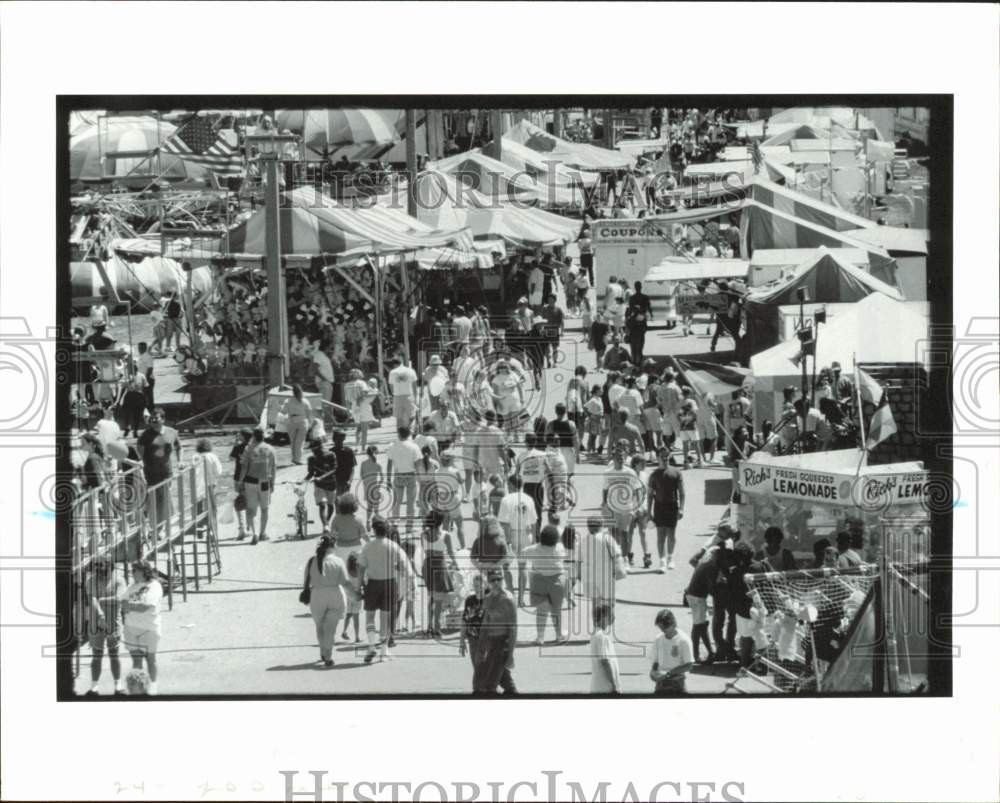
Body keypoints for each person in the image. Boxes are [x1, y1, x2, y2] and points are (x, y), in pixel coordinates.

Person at [358, 517, 414, 663]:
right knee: (386, 617)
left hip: (372, 583)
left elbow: (361, 567)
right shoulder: (393, 546)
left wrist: (359, 586)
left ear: (374, 531)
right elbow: (404, 565)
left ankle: (371, 646)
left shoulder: (368, 547)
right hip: (389, 583)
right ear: (387, 531)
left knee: (370, 617)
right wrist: (408, 580)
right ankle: (384, 650)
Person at [303, 536, 352, 666]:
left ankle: (323, 651)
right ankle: (328, 655)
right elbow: (345, 582)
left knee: (320, 626)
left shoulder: (311, 561)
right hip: (335, 594)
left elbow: (306, 582)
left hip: (317, 595)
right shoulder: (338, 561)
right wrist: (356, 594)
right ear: (332, 546)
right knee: (330, 628)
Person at [83, 556, 127, 696]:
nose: (97, 570)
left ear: (108, 566)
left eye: (100, 566)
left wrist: (102, 599)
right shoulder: (91, 580)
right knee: (97, 655)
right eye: (95, 567)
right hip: (96, 623)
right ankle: (94, 687)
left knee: (114, 655)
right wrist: (101, 615)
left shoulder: (119, 579)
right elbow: (92, 599)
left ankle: (118, 686)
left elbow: (119, 598)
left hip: (113, 623)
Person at [137, 407, 182, 537]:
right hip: (151, 473)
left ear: (163, 419)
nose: (153, 422)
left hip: (166, 472)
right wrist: (142, 460)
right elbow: (139, 448)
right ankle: (155, 528)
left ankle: (158, 529)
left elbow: (179, 447)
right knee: (154, 502)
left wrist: (180, 461)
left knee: (163, 501)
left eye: (156, 419)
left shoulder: (172, 432)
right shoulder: (146, 435)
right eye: (152, 420)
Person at [472, 569, 519, 695]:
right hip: (490, 642)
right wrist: (480, 647)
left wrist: (510, 654)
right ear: (488, 582)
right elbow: (485, 624)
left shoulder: (508, 600)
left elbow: (513, 628)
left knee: (489, 684)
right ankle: (512, 692)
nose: (497, 582)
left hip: (502, 643)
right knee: (487, 680)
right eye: (493, 580)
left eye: (499, 579)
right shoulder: (487, 599)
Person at [122, 559, 163, 696]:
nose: (132, 573)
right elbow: (122, 602)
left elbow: (146, 607)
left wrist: (131, 606)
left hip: (149, 628)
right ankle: (138, 689)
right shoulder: (132, 586)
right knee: (136, 660)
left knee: (150, 659)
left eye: (135, 571)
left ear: (144, 571)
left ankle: (153, 685)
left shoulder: (155, 586)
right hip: (131, 627)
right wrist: (133, 606)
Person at [236, 426, 277, 544]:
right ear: (264, 436)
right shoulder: (270, 449)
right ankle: (262, 533)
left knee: (251, 509)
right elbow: (273, 468)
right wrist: (273, 483)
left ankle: (254, 533)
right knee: (264, 509)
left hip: (250, 481)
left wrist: (240, 482)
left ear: (253, 436)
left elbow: (244, 467)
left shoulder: (248, 449)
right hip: (265, 482)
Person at [647, 447, 685, 572]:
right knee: (660, 535)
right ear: (657, 457)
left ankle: (671, 557)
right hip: (659, 507)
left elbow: (682, 492)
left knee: (671, 533)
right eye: (662, 456)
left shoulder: (676, 472)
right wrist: (648, 512)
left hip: (672, 505)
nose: (665, 458)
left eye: (667, 456)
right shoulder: (654, 475)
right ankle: (662, 561)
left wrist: (681, 509)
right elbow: (650, 495)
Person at [421, 510, 458, 637]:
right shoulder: (446, 535)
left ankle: (429, 626)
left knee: (431, 596)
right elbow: (451, 553)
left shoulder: (423, 534)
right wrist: (456, 565)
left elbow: (424, 550)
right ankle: (436, 627)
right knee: (438, 600)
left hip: (427, 565)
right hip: (439, 566)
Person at [684, 545, 720, 664]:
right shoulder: (710, 566)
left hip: (693, 595)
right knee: (699, 626)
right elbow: (711, 589)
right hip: (697, 597)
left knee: (701, 625)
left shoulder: (703, 562)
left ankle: (709, 652)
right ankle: (695, 655)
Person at [603, 446, 638, 561]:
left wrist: (635, 508)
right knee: (613, 534)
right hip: (612, 507)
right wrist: (604, 504)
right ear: (613, 458)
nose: (621, 458)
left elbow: (635, 490)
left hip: (626, 508)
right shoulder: (608, 472)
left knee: (625, 533)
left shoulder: (630, 472)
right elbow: (605, 489)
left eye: (623, 456)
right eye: (618, 456)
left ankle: (625, 558)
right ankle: (615, 558)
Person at [649, 609, 694, 695]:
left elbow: (689, 665)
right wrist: (653, 671)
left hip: (677, 684)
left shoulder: (683, 640)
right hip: (660, 684)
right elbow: (655, 661)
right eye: (660, 628)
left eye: (664, 628)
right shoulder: (658, 639)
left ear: (673, 624)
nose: (662, 631)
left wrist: (668, 674)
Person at [386, 426, 422, 530]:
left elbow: (389, 464)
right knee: (410, 502)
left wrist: (388, 479)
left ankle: (395, 522)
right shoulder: (414, 447)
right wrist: (419, 478)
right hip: (411, 475)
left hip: (398, 475)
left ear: (399, 434)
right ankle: (409, 526)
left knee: (397, 501)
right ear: (409, 435)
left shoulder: (392, 446)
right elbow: (418, 463)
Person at [497, 474, 538, 563]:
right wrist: (534, 540)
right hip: (526, 535)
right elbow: (534, 522)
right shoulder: (529, 499)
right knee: (522, 567)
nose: (507, 486)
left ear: (512, 485)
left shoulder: (506, 500)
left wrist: (507, 543)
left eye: (508, 484)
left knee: (506, 567)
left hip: (512, 535)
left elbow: (505, 524)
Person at [469, 515, 514, 592]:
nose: (494, 526)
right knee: (486, 592)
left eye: (495, 524)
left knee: (495, 592)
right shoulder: (479, 541)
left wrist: (494, 565)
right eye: (491, 524)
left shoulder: (500, 540)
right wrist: (480, 566)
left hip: (495, 570)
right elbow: (472, 558)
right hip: (485, 571)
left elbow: (505, 557)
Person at [305, 439, 338, 533]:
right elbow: (311, 473)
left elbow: (334, 469)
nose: (312, 451)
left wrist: (322, 477)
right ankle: (325, 526)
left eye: (314, 449)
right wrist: (304, 480)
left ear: (320, 447)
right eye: (311, 449)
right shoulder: (311, 459)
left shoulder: (331, 455)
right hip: (319, 485)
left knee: (330, 505)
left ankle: (327, 521)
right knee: (322, 505)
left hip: (331, 483)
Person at [590, 601, 622, 694]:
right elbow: (605, 662)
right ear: (603, 616)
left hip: (599, 685)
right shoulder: (602, 636)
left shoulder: (597, 634)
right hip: (605, 687)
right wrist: (614, 684)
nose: (614, 617)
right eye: (611, 615)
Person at [280, 385, 313, 466]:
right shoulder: (305, 401)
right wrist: (310, 424)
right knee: (300, 442)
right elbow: (309, 413)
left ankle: (294, 458)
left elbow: (283, 411)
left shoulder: (288, 401)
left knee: (293, 441)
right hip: (303, 420)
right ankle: (297, 459)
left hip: (292, 420)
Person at [229, 429, 253, 540]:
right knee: (250, 502)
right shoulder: (253, 447)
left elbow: (231, 458)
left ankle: (241, 528)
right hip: (251, 478)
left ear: (243, 436)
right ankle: (251, 527)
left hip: (238, 477)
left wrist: (235, 444)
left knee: (239, 502)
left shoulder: (238, 447)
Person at [459, 574, 486, 672]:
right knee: (477, 669)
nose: (476, 588)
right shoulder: (469, 600)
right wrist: (461, 641)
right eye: (474, 586)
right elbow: (464, 621)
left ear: (485, 585)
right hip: (473, 639)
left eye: (479, 586)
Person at [545, 402, 579, 478]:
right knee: (569, 474)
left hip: (555, 451)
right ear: (566, 411)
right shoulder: (571, 424)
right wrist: (578, 454)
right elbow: (575, 441)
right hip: (568, 451)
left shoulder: (551, 424)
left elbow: (546, 440)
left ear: (555, 411)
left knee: (556, 475)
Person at [625, 281, 653, 364]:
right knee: (640, 343)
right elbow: (649, 307)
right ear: (641, 287)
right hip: (642, 322)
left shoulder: (632, 298)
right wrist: (651, 316)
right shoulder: (645, 297)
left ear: (635, 287)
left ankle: (634, 361)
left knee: (633, 344)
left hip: (633, 323)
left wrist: (628, 321)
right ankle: (639, 360)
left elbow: (630, 310)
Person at [387, 357, 418, 429]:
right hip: (409, 395)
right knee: (412, 416)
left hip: (397, 396)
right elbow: (414, 385)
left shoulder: (392, 372)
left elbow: (391, 386)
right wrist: (415, 397)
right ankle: (410, 430)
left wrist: (394, 394)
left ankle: (400, 436)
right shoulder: (411, 371)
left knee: (399, 418)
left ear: (394, 364)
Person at [352, 377, 379, 451]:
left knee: (363, 429)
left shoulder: (374, 390)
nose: (372, 384)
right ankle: (358, 447)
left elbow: (363, 397)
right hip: (360, 409)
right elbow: (361, 397)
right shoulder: (366, 388)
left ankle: (362, 448)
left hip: (363, 408)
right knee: (360, 429)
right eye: (370, 383)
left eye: (373, 383)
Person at [330, 430, 356, 495]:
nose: (340, 441)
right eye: (338, 439)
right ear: (334, 440)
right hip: (335, 481)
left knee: (343, 500)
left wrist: (350, 480)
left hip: (345, 481)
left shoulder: (349, 451)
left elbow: (352, 468)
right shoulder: (330, 453)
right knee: (338, 500)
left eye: (341, 439)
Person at [678, 398, 703, 468]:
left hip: (683, 428)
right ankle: (699, 461)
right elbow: (695, 416)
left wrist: (683, 421)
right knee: (696, 444)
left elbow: (678, 416)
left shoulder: (682, 408)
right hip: (692, 427)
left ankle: (686, 462)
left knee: (685, 445)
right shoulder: (692, 406)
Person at [311, 339, 335, 403]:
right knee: (325, 405)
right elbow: (315, 369)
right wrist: (324, 379)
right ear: (327, 347)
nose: (330, 349)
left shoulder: (324, 356)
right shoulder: (319, 355)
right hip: (324, 383)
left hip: (327, 383)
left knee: (327, 404)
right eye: (330, 347)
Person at [136, 342, 155, 410]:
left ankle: (151, 409)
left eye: (141, 348)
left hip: (148, 378)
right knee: (143, 395)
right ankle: (145, 408)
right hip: (141, 379)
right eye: (139, 348)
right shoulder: (140, 356)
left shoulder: (148, 356)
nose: (139, 349)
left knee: (149, 395)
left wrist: (145, 379)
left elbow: (150, 369)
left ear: (145, 348)